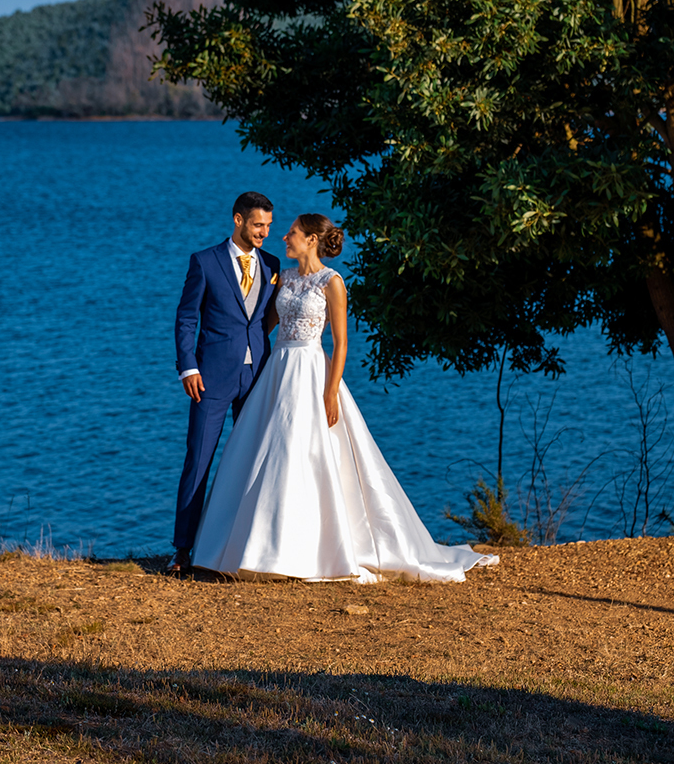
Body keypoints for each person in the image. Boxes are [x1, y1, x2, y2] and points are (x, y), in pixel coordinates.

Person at [191, 213, 498, 583]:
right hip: (277, 374)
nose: (283, 238)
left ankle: (303, 551)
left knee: (305, 453)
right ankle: (255, 547)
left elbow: (340, 343)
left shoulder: (332, 282)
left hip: (312, 369)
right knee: (264, 454)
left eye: (291, 233)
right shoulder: (283, 278)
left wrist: (331, 390)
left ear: (311, 240)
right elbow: (262, 326)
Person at [170, 192, 281, 574]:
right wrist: (189, 367)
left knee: (252, 462)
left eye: (268, 225)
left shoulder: (272, 263)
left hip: (257, 377)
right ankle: (183, 551)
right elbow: (186, 318)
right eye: (257, 225)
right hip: (211, 379)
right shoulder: (204, 262)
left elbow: (266, 317)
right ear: (237, 220)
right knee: (198, 461)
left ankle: (239, 550)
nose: (264, 233)